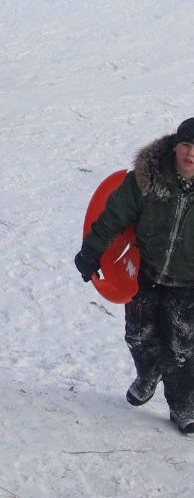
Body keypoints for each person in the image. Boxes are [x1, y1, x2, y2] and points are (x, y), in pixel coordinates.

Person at [74, 118, 194, 435]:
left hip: (188, 283)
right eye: (187, 146)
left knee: (181, 348)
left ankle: (184, 407)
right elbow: (114, 214)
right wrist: (91, 251)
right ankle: (148, 373)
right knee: (138, 335)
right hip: (146, 272)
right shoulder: (149, 177)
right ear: (175, 146)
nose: (191, 154)